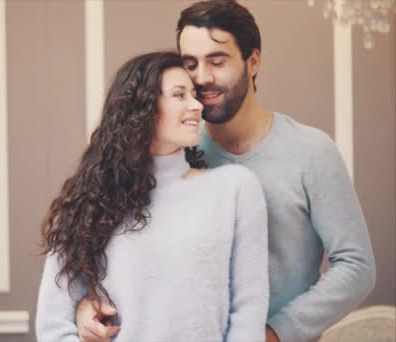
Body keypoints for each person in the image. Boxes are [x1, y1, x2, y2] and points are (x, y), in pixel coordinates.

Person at [74, 1, 376, 342]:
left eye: (217, 61)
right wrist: (86, 300)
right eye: (191, 64)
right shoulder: (173, 154)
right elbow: (123, 248)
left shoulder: (312, 152)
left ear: (254, 61)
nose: (202, 77)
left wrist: (275, 332)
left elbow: (356, 266)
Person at [36, 51, 269, 342]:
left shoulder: (235, 189)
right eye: (179, 95)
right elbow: (53, 326)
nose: (196, 105)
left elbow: (248, 310)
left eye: (194, 95)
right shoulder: (90, 202)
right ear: (142, 108)